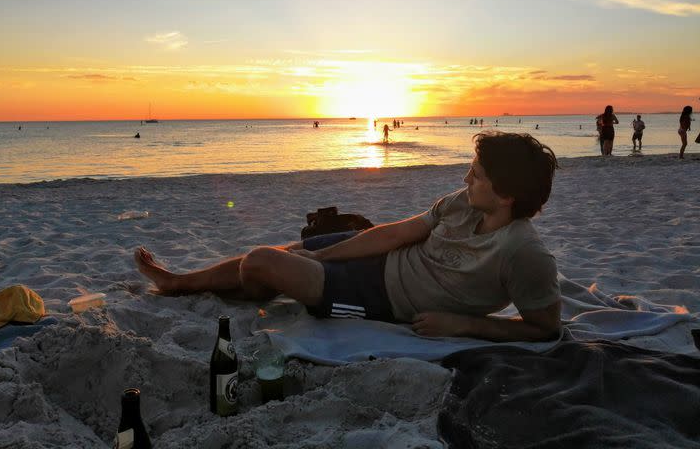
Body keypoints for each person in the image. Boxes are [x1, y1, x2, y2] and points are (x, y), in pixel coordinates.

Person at [134, 132, 562, 342]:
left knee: (261, 262)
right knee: (283, 253)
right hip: (380, 262)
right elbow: (399, 232)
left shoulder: (524, 253)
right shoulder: (464, 202)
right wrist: (331, 254)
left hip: (383, 301)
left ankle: (254, 289)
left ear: (506, 195)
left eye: (478, 174)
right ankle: (179, 282)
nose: (466, 176)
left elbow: (545, 329)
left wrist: (464, 325)